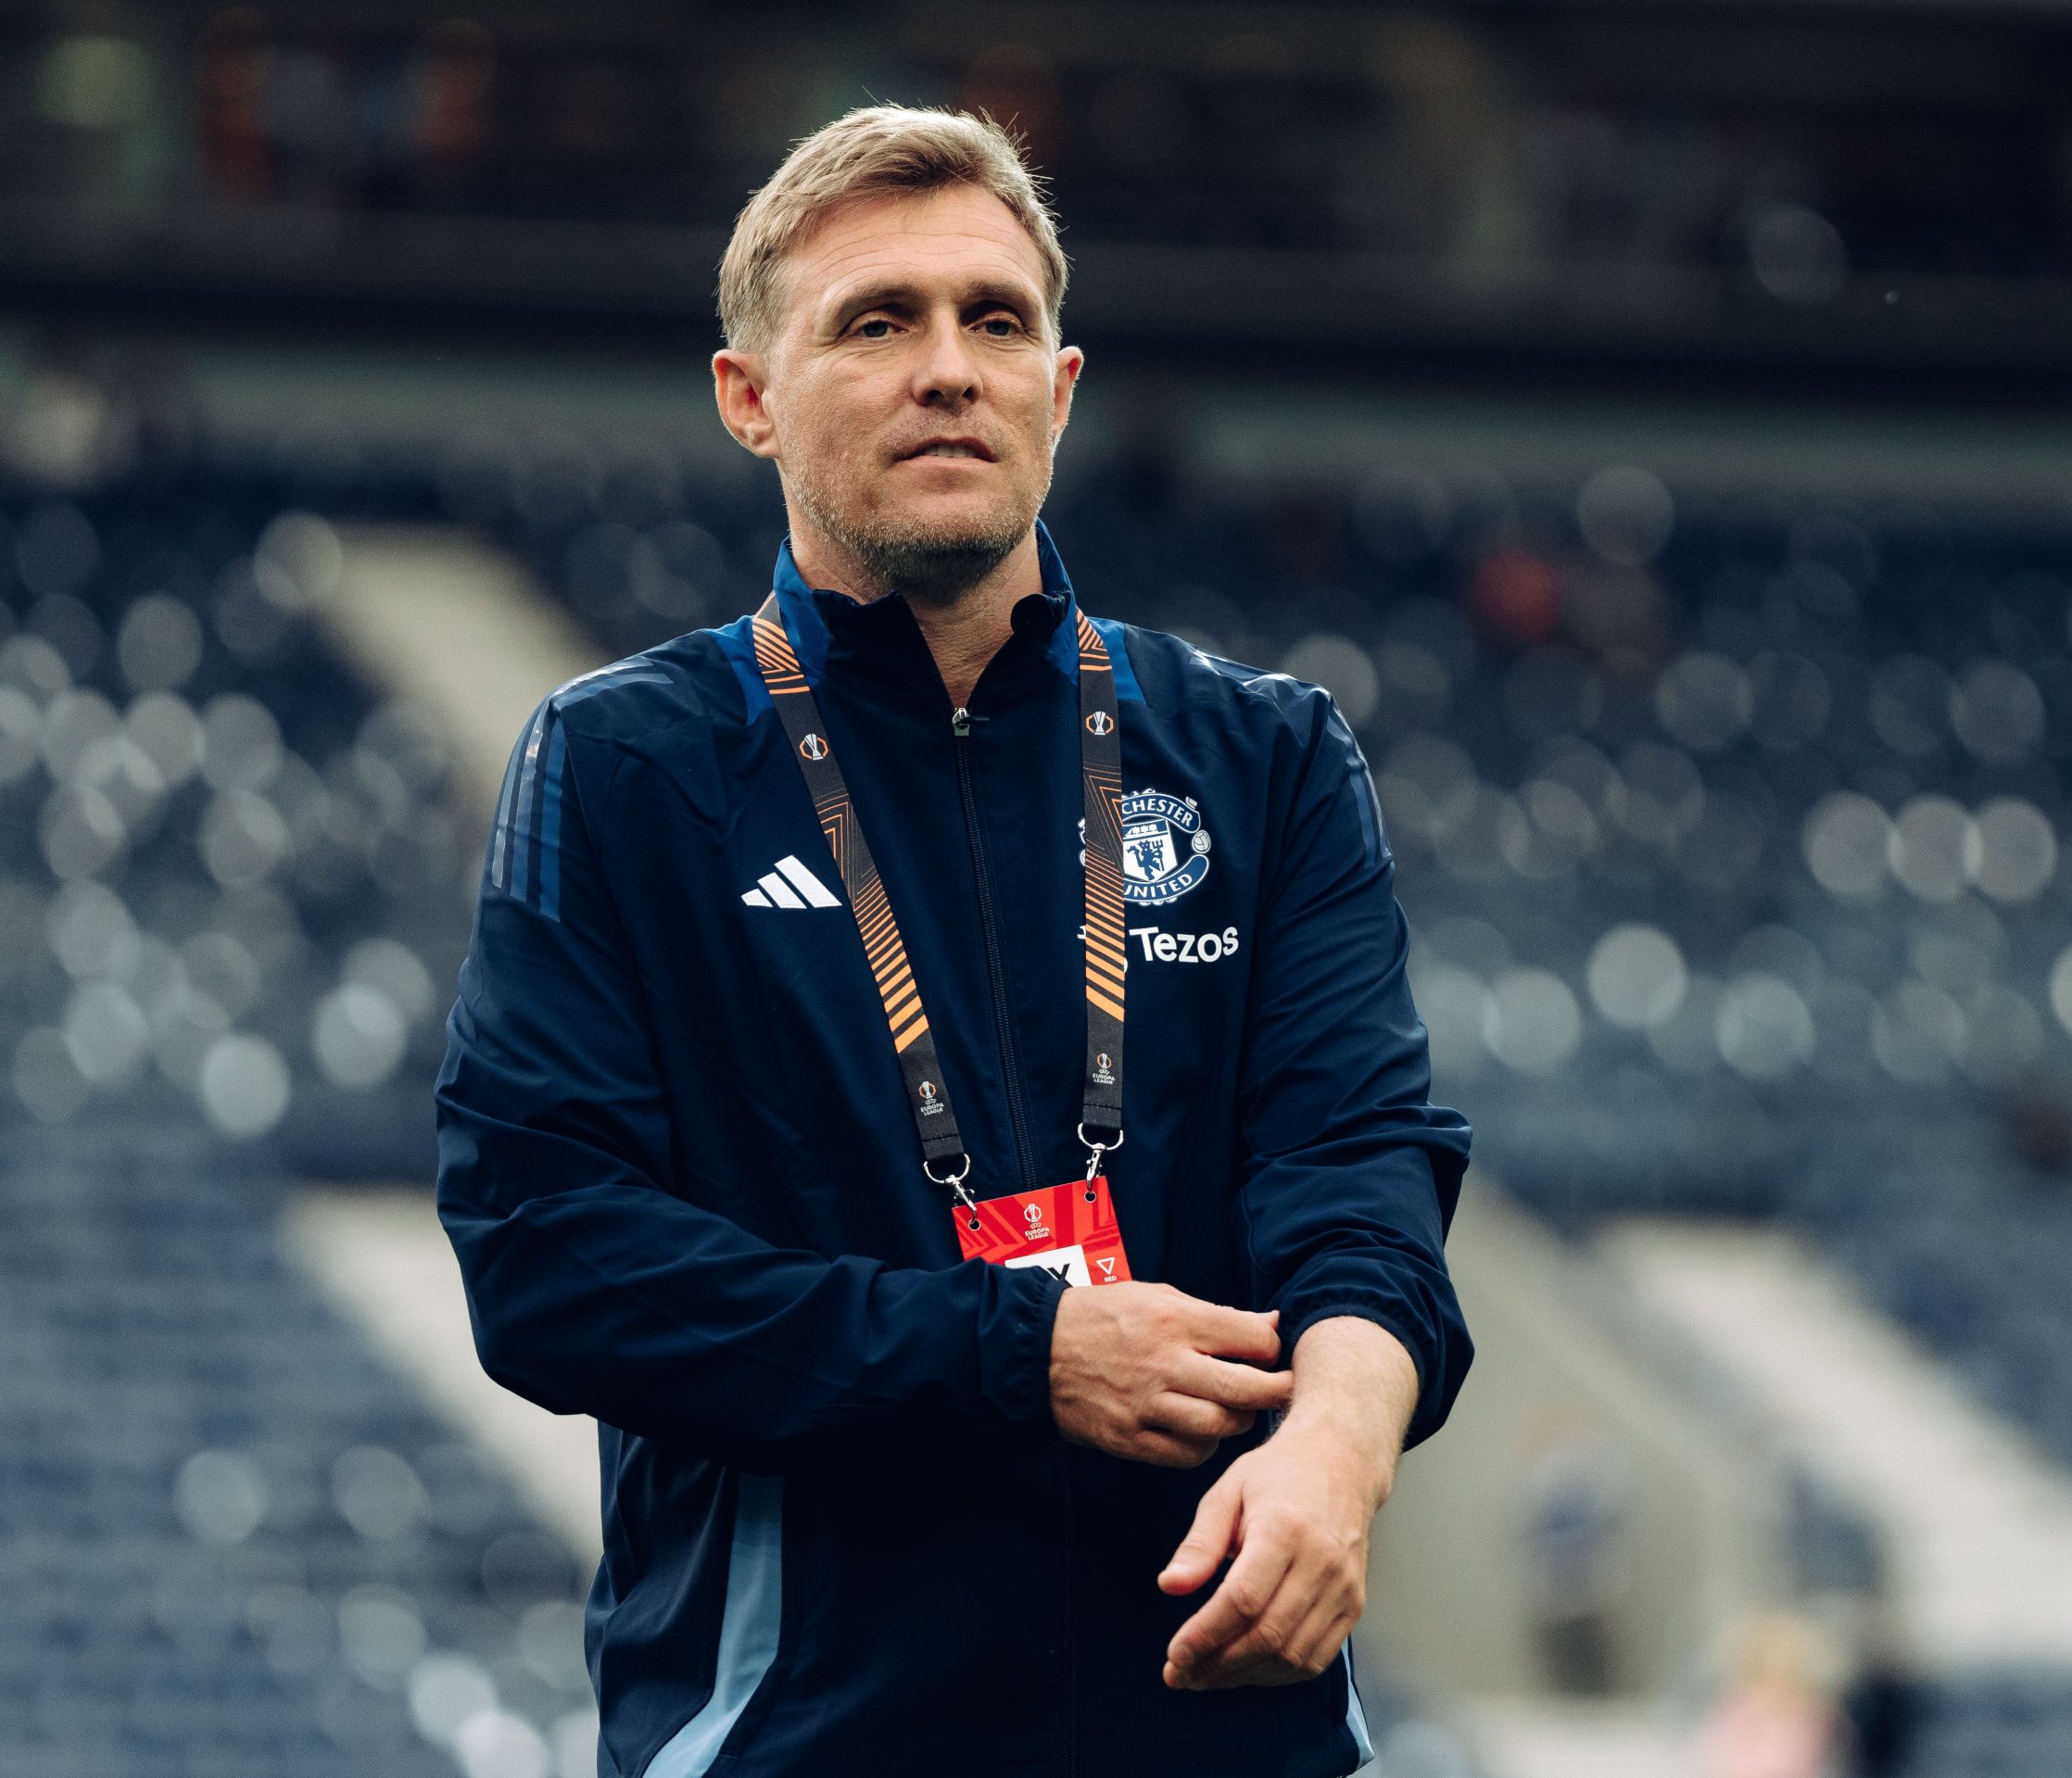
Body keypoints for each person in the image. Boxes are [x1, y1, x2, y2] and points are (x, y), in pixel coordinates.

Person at [435, 105, 1472, 1776]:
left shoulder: (1263, 755)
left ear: (1059, 394)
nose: (949, 367)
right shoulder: (624, 767)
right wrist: (1014, 1355)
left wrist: (1340, 1451)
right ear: (748, 396)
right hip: (805, 1739)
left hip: (1226, 1741)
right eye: (877, 321)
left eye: (998, 320)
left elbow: (1357, 1168)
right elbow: (547, 1255)